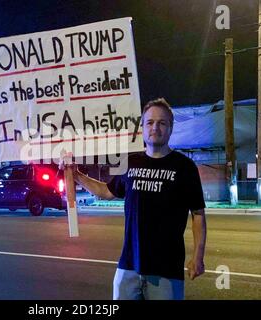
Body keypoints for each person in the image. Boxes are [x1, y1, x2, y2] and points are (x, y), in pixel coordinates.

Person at [60, 98, 207, 300]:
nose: (155, 127)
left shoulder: (185, 167)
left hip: (166, 270)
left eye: (162, 123)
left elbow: (198, 213)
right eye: (150, 122)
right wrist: (76, 175)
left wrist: (198, 257)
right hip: (128, 266)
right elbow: (107, 191)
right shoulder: (130, 162)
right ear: (142, 128)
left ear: (171, 128)